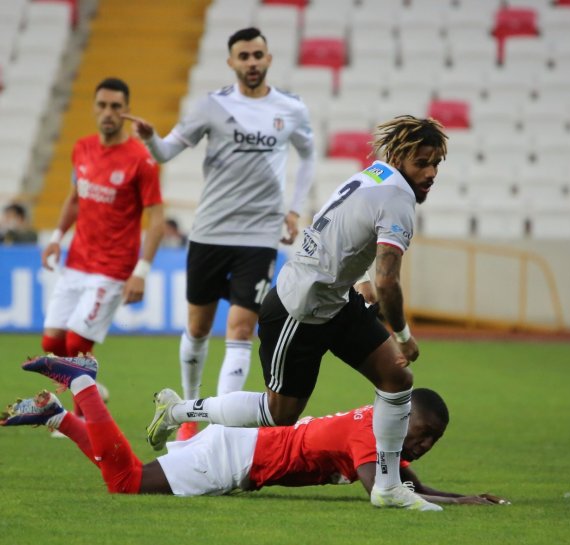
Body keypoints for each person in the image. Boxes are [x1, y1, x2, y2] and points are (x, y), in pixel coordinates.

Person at [146, 115, 449, 511]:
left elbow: (339, 234)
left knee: (396, 378)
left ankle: (388, 488)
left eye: (435, 164)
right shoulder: (398, 200)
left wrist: (357, 281)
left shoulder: (372, 176)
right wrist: (404, 336)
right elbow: (389, 281)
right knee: (280, 413)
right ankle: (176, 409)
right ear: (399, 156)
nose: (429, 173)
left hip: (334, 299)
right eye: (421, 163)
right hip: (299, 307)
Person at [123, 27, 316, 441]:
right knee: (197, 328)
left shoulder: (291, 108)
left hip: (260, 235)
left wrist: (295, 208)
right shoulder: (212, 106)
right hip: (210, 231)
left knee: (242, 329)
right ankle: (188, 412)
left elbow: (308, 155)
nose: (251, 62)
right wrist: (150, 139)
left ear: (269, 58)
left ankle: (219, 427)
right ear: (231, 62)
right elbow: (168, 151)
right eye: (243, 56)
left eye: (257, 55)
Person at [1, 354, 508, 506]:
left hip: (241, 448)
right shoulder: (371, 439)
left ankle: (57, 417)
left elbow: (406, 480)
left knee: (130, 475)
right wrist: (454, 506)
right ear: (405, 415)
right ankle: (83, 384)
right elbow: (385, 492)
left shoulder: (378, 428)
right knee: (125, 481)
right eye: (421, 432)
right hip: (235, 459)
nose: (421, 444)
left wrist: (463, 498)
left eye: (431, 440)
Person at [40, 77, 164, 363]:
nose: (108, 112)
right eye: (102, 105)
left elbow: (157, 219)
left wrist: (141, 271)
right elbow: (74, 198)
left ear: (126, 110)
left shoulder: (141, 160)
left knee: (77, 343)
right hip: (77, 260)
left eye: (116, 106)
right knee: (52, 342)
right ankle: (93, 394)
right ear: (94, 108)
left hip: (112, 268)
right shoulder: (82, 148)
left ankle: (84, 410)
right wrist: (56, 239)